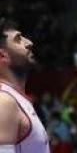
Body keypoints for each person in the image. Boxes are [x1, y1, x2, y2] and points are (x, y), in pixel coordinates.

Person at [0, 18, 50, 152]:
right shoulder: (4, 101)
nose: (29, 43)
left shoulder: (15, 98)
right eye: (18, 39)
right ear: (2, 55)